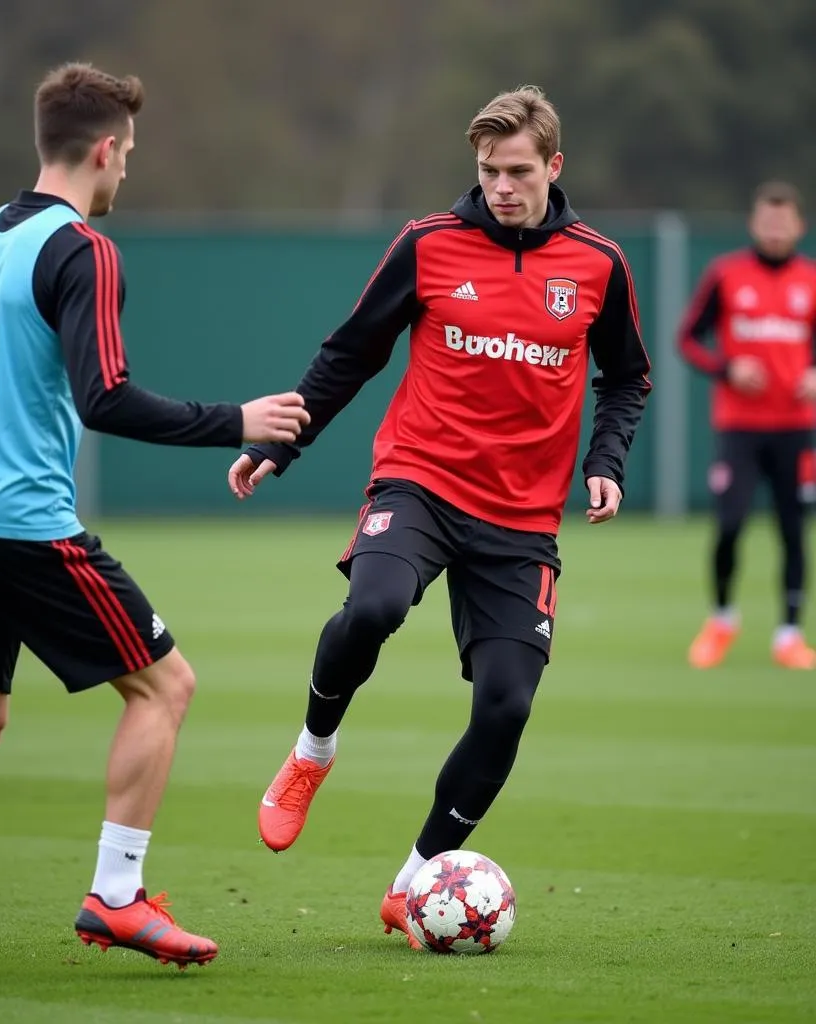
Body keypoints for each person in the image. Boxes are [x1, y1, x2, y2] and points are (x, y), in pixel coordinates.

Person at [0, 62, 309, 974]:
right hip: (16, 520)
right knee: (164, 687)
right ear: (104, 150)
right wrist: (237, 423)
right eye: (127, 154)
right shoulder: (85, 250)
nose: (126, 171)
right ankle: (118, 896)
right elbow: (106, 399)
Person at [227, 85, 651, 948]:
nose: (501, 185)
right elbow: (349, 354)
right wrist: (281, 445)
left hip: (523, 520)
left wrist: (605, 463)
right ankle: (313, 750)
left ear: (554, 167)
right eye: (489, 170)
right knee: (374, 608)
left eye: (518, 170)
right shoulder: (428, 244)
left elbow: (629, 376)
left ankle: (416, 879)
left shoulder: (598, 264)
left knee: (505, 706)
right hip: (420, 480)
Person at [681, 182, 816, 670]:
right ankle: (721, 620)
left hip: (795, 428)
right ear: (753, 224)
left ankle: (788, 635)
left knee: (793, 531)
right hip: (739, 427)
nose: (775, 230)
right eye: (767, 221)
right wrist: (727, 369)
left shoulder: (811, 280)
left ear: (799, 226)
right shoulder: (726, 275)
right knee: (730, 524)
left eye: (784, 222)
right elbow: (688, 338)